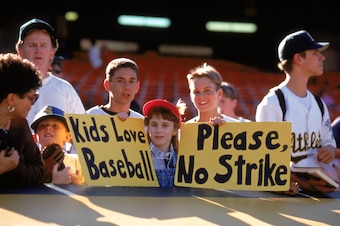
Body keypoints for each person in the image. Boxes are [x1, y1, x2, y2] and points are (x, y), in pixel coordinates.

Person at [255, 30, 337, 195]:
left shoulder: (319, 104)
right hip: (287, 192)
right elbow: (266, 160)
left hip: (320, 187)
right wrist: (304, 186)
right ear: (298, 58)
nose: (322, 57)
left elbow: (329, 143)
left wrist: (329, 149)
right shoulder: (273, 103)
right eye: (315, 53)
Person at [15, 18, 85, 129]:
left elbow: (82, 132)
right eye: (32, 45)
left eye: (43, 46)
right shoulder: (6, 86)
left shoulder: (65, 89)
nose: (38, 50)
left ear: (52, 53)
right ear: (20, 52)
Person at [0, 53, 44, 188]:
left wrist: (15, 167)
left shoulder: (20, 124)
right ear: (11, 99)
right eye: (30, 98)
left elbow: (39, 171)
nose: (32, 104)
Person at [31, 105, 85, 185]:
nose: (48, 128)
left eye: (55, 126)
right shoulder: (29, 162)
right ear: (35, 137)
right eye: (42, 126)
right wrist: (54, 184)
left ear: (68, 136)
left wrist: (77, 186)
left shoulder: (78, 161)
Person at [143, 99, 182, 187]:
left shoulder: (182, 159)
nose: (158, 130)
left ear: (175, 130)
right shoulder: (138, 158)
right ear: (148, 127)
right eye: (154, 124)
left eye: (165, 125)